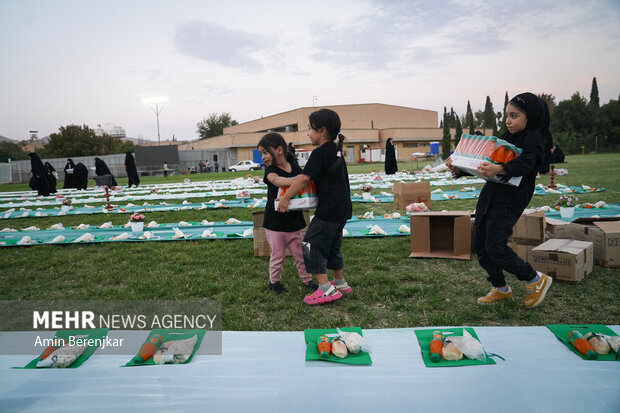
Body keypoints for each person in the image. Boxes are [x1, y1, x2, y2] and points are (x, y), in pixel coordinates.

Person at [446, 92, 552, 308]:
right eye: (506, 116)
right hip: (491, 194)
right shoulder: (507, 137)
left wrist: (502, 168)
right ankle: (501, 288)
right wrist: (458, 168)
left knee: (495, 246)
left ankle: (535, 279)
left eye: (514, 116)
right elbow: (485, 165)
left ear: (529, 116)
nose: (508, 121)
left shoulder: (535, 139)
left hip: (510, 200)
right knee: (481, 245)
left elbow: (527, 163)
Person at [277, 108, 352, 305]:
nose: (308, 133)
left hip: (328, 210)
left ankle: (325, 289)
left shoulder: (319, 153)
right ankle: (339, 281)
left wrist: (285, 199)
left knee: (311, 245)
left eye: (310, 129)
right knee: (333, 245)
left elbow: (303, 178)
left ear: (322, 130)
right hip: (342, 209)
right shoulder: (336, 151)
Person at [257, 133, 317, 294]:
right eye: (261, 153)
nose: (263, 157)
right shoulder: (270, 170)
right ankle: (274, 282)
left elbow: (305, 181)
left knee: (300, 255)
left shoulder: (294, 166)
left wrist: (302, 180)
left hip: (294, 222)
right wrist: (296, 181)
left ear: (279, 150)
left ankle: (307, 280)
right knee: (278, 256)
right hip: (275, 224)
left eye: (265, 152)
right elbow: (277, 181)